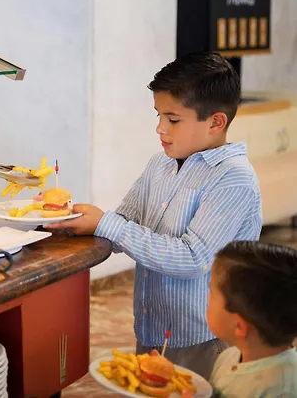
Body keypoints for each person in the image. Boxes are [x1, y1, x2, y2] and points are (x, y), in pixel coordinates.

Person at [48, 52, 262, 379]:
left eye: (173, 119)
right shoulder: (159, 165)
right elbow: (123, 225)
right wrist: (66, 218)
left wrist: (106, 223)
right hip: (153, 327)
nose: (160, 128)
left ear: (216, 122)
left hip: (205, 338)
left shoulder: (233, 178)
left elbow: (192, 258)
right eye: (158, 115)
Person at [207, 241, 297, 397]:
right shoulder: (229, 357)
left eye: (212, 294)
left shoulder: (283, 390)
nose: (207, 299)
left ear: (239, 326)